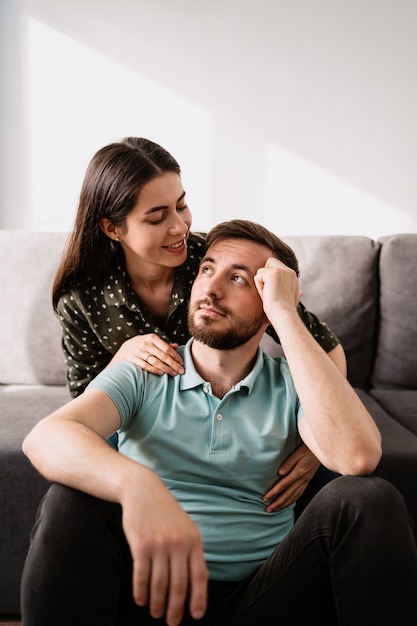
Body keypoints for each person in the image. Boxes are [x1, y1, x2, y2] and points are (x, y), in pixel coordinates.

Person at [21, 220, 417, 626]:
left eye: (239, 279)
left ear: (269, 305)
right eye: (207, 269)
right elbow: (46, 438)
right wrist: (137, 484)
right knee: (70, 499)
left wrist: (284, 314)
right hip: (145, 596)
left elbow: (358, 456)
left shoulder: (294, 385)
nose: (211, 288)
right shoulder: (146, 367)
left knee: (370, 499)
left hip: (260, 600)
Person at [52, 136, 346, 510]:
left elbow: (325, 351)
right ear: (113, 229)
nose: (180, 227)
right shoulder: (81, 297)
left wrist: (313, 449)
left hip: (236, 432)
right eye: (157, 218)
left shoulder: (215, 260)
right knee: (67, 493)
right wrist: (122, 357)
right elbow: (83, 403)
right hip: (146, 437)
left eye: (182, 205)